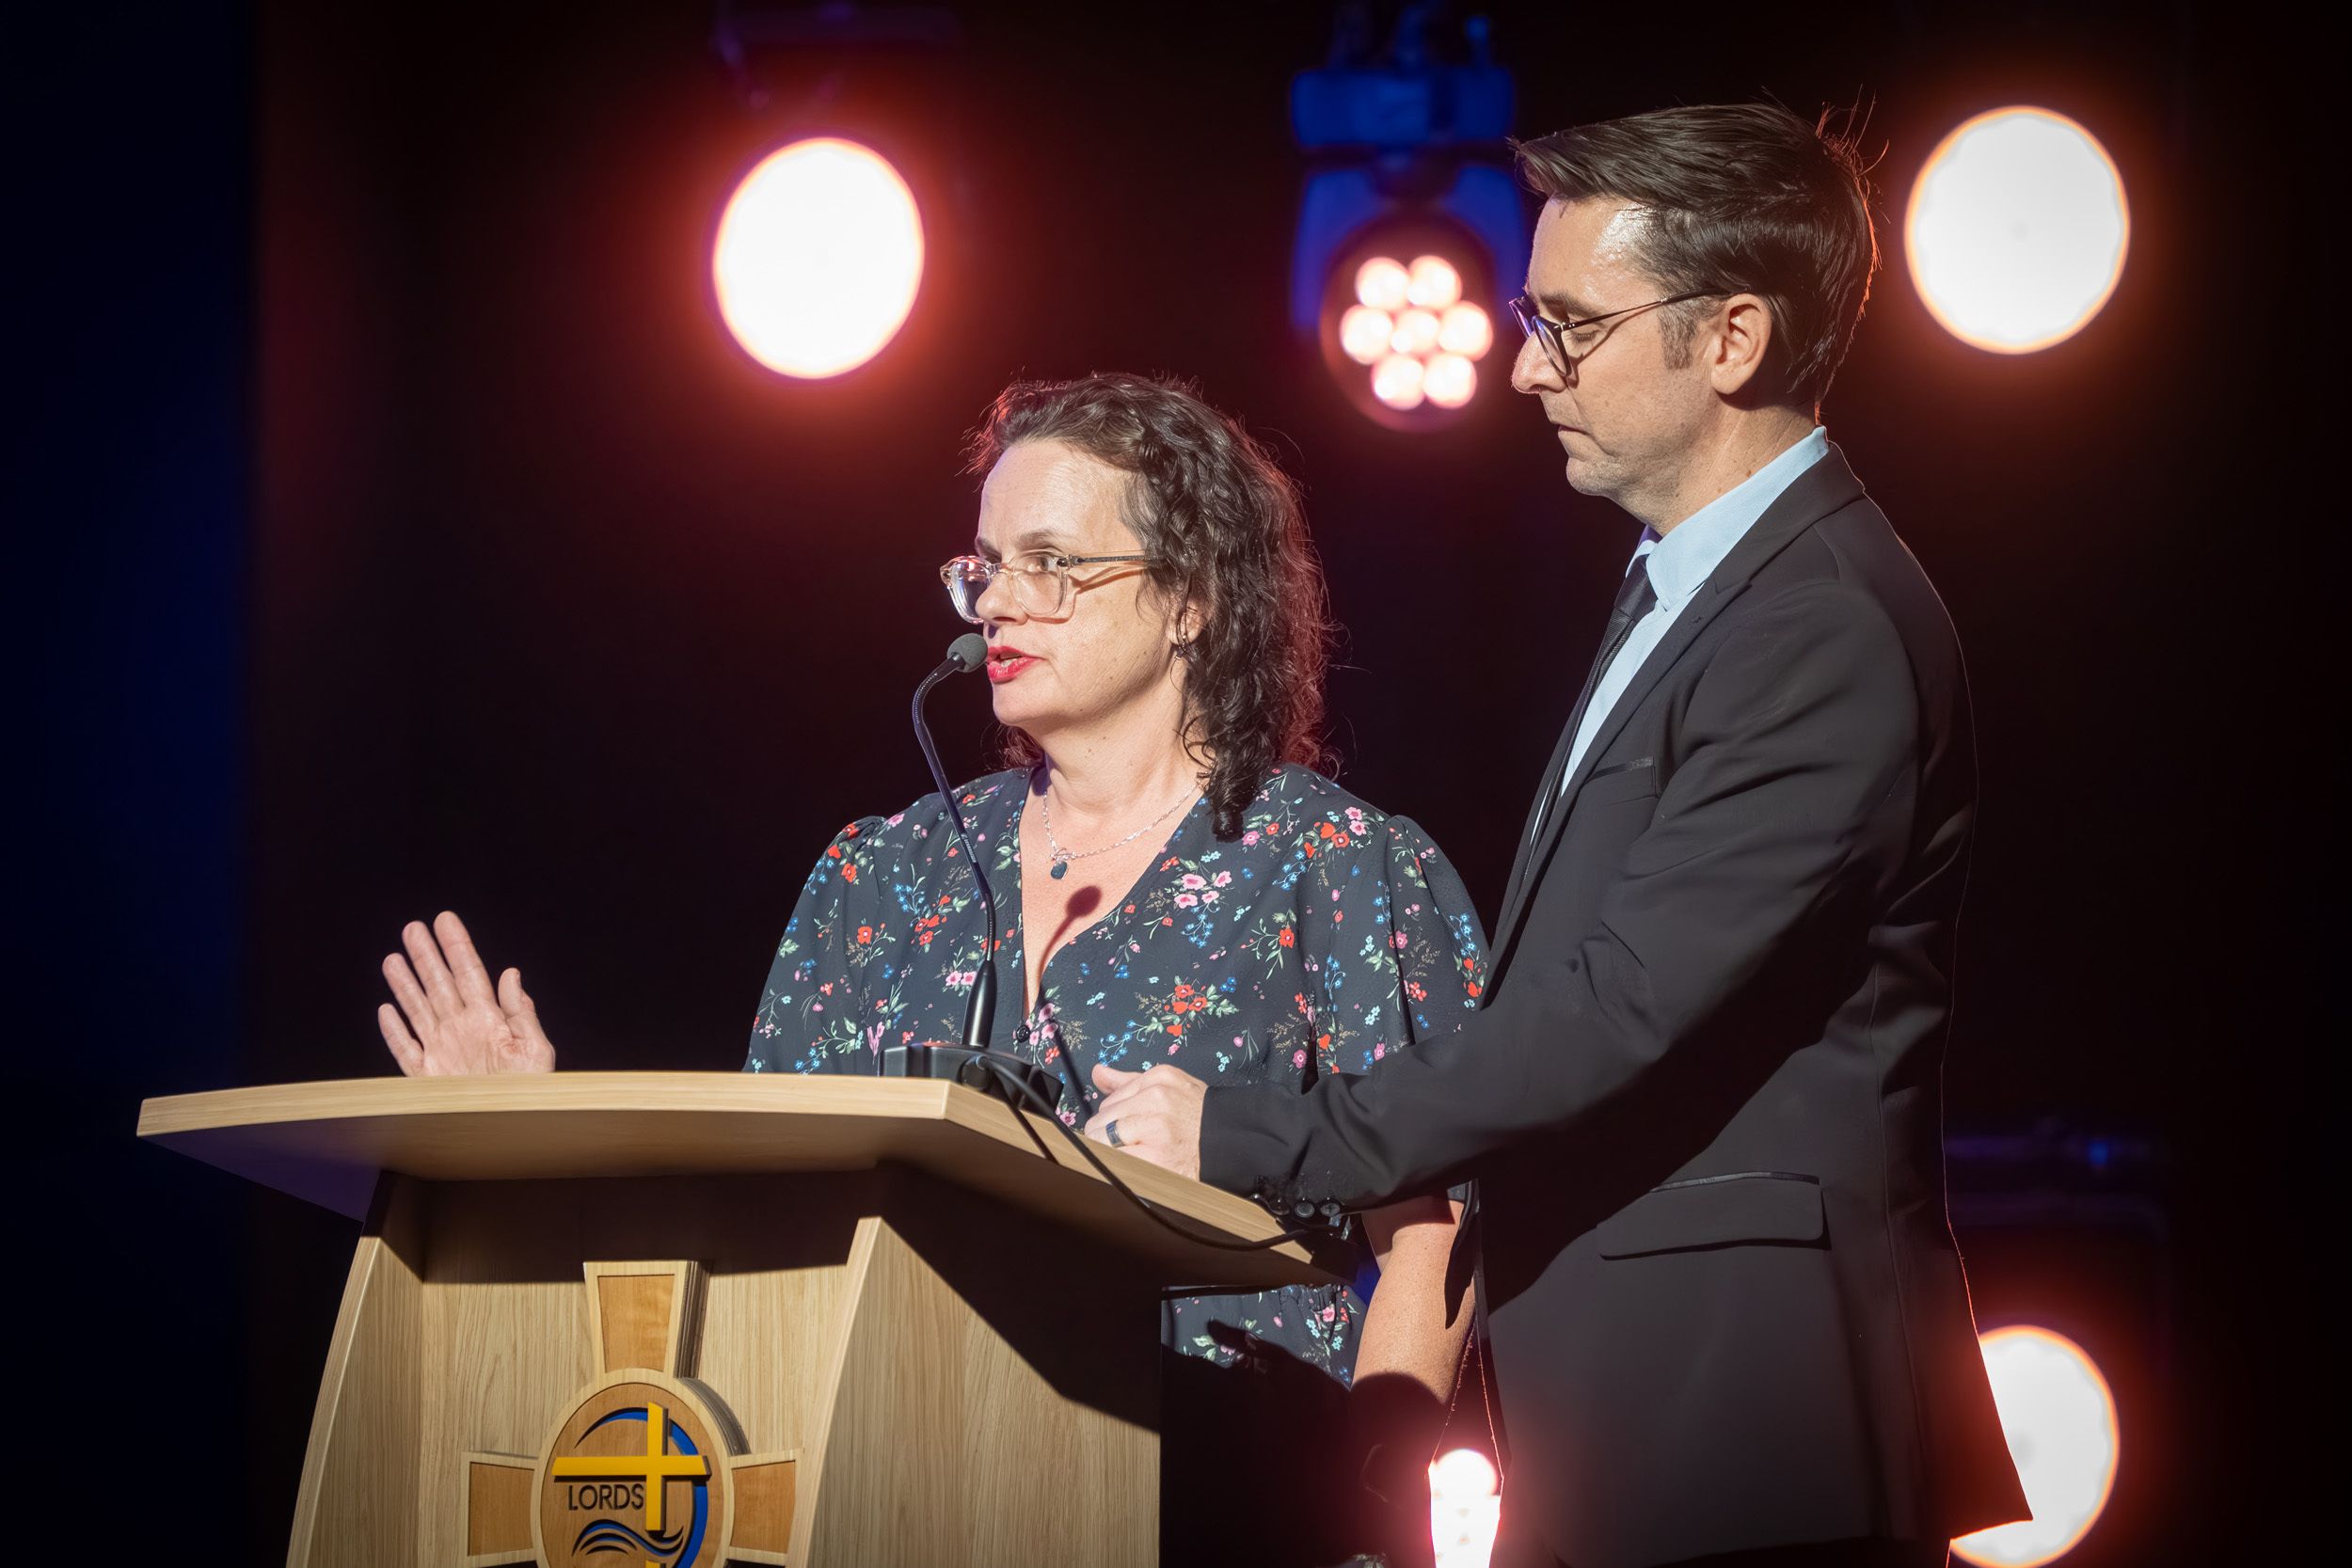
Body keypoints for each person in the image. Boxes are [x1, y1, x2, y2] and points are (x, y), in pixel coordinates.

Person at [1086, 105, 2033, 1568]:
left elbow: (1611, 1007)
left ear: (1732, 339)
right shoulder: (1706, 588)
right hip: (1642, 1400)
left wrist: (1253, 1129)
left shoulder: (1820, 625)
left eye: (1572, 326)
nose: (1528, 366)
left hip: (1748, 1414)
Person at [376, 372, 1488, 1566]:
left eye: (1050, 564)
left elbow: (1433, 1229)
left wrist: (1368, 1499)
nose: (997, 601)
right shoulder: (883, 875)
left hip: (1232, 1497)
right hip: (902, 1487)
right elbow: (762, 1211)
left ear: (1191, 600)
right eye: (985, 566)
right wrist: (532, 1142)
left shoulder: (1333, 862)